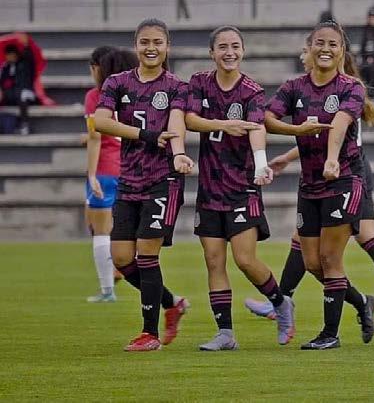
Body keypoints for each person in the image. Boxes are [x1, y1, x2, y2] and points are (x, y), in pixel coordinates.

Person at [245, 34, 374, 322]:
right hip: (326, 170)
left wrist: (327, 158)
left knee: (358, 239)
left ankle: (283, 300)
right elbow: (314, 134)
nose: (304, 56)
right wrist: (289, 155)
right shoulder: (307, 89)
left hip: (349, 171)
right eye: (307, 49)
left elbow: (334, 135)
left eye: (304, 50)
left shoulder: (347, 89)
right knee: (321, 245)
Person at [265, 21, 374, 350]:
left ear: (342, 51)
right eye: (320, 43)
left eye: (333, 44)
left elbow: (339, 123)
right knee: (312, 263)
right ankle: (362, 302)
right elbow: (268, 118)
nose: (326, 49)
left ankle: (330, 334)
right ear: (309, 47)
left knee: (329, 259)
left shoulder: (351, 87)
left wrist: (331, 158)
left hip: (344, 180)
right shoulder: (293, 87)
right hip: (310, 185)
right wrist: (295, 133)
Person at [185, 26, 296, 351]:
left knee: (245, 259)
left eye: (235, 46)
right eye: (222, 46)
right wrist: (223, 125)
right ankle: (225, 333)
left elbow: (256, 128)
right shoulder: (199, 82)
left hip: (241, 187)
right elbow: (189, 119)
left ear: (243, 51)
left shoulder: (251, 91)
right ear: (212, 52)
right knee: (213, 260)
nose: (229, 52)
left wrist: (261, 163)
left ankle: (280, 302)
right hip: (209, 188)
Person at [94, 18, 193, 352]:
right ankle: (172, 303)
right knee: (122, 257)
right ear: (136, 45)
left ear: (167, 47)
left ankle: (149, 334)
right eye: (145, 42)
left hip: (163, 180)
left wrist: (179, 154)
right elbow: (101, 122)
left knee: (147, 254)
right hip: (129, 179)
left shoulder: (177, 86)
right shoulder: (117, 82)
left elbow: (176, 124)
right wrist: (146, 135)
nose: (151, 48)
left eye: (157, 42)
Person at [84, 46, 138, 303]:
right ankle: (122, 265)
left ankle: (107, 290)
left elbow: (95, 136)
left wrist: (91, 174)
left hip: (105, 168)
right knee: (123, 227)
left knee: (100, 230)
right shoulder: (133, 95)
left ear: (98, 67)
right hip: (131, 168)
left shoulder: (96, 96)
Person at [0, 34, 37, 135]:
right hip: (11, 94)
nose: (10, 57)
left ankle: (25, 124)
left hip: (25, 91)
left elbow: (29, 57)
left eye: (12, 54)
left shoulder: (25, 63)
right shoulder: (5, 67)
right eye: (8, 55)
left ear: (16, 54)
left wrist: (26, 46)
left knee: (22, 95)